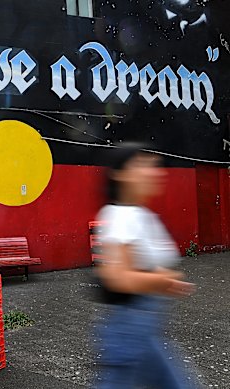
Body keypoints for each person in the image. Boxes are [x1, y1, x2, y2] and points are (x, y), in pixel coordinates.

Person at [94, 143, 196, 388]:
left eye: (153, 166)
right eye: (141, 165)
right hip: (131, 328)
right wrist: (162, 281)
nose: (153, 172)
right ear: (119, 174)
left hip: (144, 328)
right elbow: (116, 277)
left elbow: (143, 266)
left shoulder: (140, 215)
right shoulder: (120, 216)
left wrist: (161, 277)